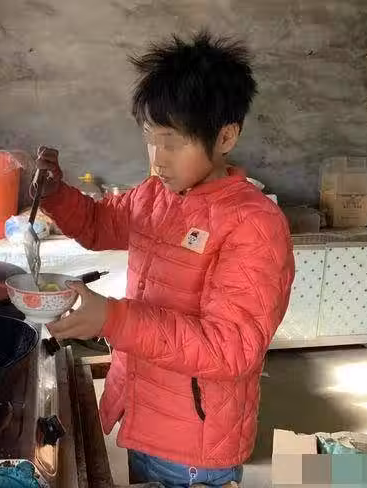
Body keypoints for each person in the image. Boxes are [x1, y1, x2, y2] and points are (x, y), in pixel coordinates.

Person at [37, 31, 294, 488]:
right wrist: (56, 194)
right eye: (149, 139)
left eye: (172, 142)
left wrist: (113, 318)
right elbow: (98, 224)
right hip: (145, 415)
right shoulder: (155, 195)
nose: (157, 160)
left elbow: (230, 348)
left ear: (226, 136)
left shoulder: (254, 224)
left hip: (194, 447)